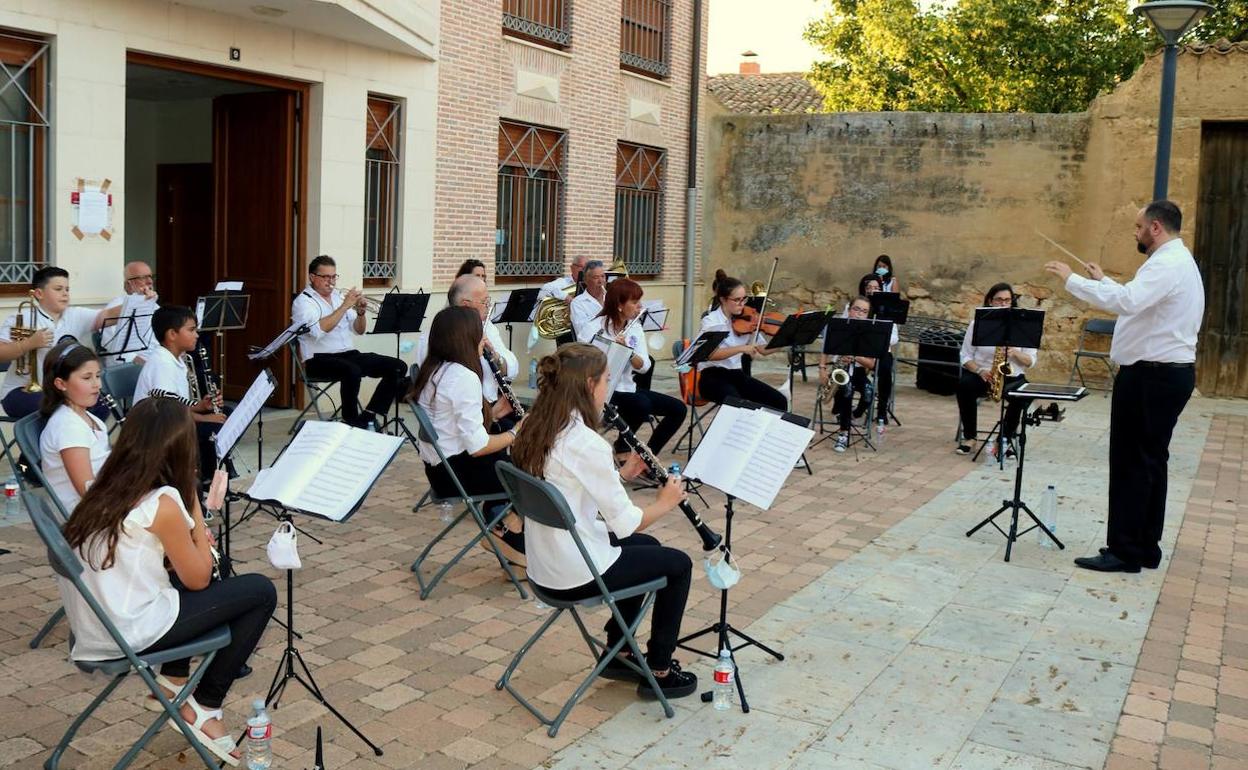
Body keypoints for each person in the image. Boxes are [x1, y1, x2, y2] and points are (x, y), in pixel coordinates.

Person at [58, 398, 277, 766]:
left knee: (204, 570)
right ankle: (205, 706)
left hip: (95, 626)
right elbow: (199, 579)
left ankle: (173, 681)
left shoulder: (102, 486)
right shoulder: (163, 502)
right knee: (260, 591)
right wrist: (195, 512)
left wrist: (188, 536)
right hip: (127, 631)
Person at [510, 344, 697, 699]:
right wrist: (666, 501)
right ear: (589, 384)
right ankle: (659, 669)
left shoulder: (534, 425)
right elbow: (628, 524)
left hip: (544, 564)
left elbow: (571, 486)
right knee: (679, 565)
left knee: (649, 549)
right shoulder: (586, 443)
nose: (608, 388)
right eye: (607, 380)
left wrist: (620, 476)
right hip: (575, 574)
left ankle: (620, 651)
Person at [1045, 200, 1203, 574]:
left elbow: (1129, 302)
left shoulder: (1166, 263)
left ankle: (1125, 551)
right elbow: (1140, 301)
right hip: (1164, 375)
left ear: (1155, 227)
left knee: (1132, 462)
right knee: (1150, 462)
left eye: (1138, 226)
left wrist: (1072, 279)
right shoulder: (1176, 260)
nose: (1135, 232)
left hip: (1151, 377)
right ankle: (1145, 546)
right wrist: (1103, 281)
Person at [410, 306, 525, 564]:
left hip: (439, 470)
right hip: (458, 475)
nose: (483, 340)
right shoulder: (463, 377)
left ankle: (502, 526)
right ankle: (508, 535)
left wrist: (494, 414)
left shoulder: (433, 369)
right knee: (531, 476)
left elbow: (451, 424)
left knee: (515, 465)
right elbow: (478, 446)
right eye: (479, 334)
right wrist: (517, 431)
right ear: (464, 338)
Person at [292, 255, 407, 430]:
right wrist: (345, 306)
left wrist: (361, 313)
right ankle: (350, 421)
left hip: (348, 354)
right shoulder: (304, 302)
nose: (331, 281)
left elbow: (359, 330)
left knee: (398, 366)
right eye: (326, 277)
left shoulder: (338, 297)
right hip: (318, 360)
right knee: (352, 370)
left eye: (334, 276)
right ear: (312, 277)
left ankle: (368, 415)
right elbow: (319, 330)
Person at [581, 278, 687, 458]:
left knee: (678, 409)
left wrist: (628, 352)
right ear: (619, 305)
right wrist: (610, 349)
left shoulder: (635, 328)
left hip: (627, 388)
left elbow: (644, 367)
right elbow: (582, 365)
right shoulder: (593, 328)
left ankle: (645, 457)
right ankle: (623, 447)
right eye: (635, 302)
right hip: (602, 390)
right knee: (641, 404)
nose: (640, 306)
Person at [0, 266, 114, 420]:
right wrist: (29, 343)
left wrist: (136, 302)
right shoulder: (21, 317)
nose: (65, 293)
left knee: (101, 403)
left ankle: (86, 435)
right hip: (20, 391)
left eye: (67, 289)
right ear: (39, 294)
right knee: (63, 408)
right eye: (58, 289)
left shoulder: (75, 314)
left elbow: (107, 315)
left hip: (60, 390)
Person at [133, 306, 229, 482]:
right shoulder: (162, 363)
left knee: (226, 414)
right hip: (157, 430)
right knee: (214, 427)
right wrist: (204, 418)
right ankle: (204, 478)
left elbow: (176, 401)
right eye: (191, 330)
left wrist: (200, 406)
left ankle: (209, 473)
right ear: (172, 334)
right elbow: (168, 411)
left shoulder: (176, 358)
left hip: (172, 419)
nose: (196, 335)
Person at [416, 275, 518, 420]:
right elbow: (462, 416)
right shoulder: (435, 337)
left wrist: (495, 357)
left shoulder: (487, 328)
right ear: (466, 305)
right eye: (484, 302)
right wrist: (506, 425)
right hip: (462, 414)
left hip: (485, 410)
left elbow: (513, 367)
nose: (488, 307)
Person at [954, 283, 1036, 458]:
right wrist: (979, 371)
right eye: (999, 300)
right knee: (964, 386)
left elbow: (1030, 361)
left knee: (1023, 396)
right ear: (990, 301)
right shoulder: (977, 324)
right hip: (984, 374)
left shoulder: (1023, 325)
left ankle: (1004, 439)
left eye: (1007, 300)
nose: (1003, 304)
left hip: (1012, 375)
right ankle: (970, 437)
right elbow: (965, 356)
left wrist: (1015, 353)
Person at [695, 270, 786, 411]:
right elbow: (710, 354)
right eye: (737, 300)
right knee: (738, 406)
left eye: (744, 299)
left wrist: (786, 341)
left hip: (736, 375)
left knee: (779, 401)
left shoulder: (748, 320)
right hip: (712, 377)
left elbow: (764, 350)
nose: (742, 304)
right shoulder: (711, 321)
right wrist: (741, 348)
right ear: (723, 299)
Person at [39, 341, 110, 511]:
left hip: (105, 499)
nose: (97, 384)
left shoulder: (90, 419)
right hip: (85, 514)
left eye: (98, 376)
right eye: (87, 378)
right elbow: (87, 490)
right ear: (61, 384)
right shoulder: (68, 427)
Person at [818, 297, 881, 453]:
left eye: (864, 311)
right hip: (840, 369)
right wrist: (822, 369)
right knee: (847, 390)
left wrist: (855, 357)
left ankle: (852, 415)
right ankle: (843, 433)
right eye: (856, 309)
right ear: (849, 309)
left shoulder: (870, 332)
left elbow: (871, 364)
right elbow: (826, 349)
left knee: (869, 393)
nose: (859, 314)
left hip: (858, 371)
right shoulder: (839, 327)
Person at [100, 261, 159, 367]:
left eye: (151, 277)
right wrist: (149, 367)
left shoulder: (154, 305)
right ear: (128, 284)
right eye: (143, 278)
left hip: (157, 361)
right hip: (132, 367)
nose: (150, 281)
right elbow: (119, 352)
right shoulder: (115, 308)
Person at [570, 260, 607, 343]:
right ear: (586, 280)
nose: (601, 281)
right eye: (596, 277)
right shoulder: (577, 303)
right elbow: (582, 333)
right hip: (591, 347)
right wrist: (603, 312)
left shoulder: (611, 297)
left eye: (603, 276)